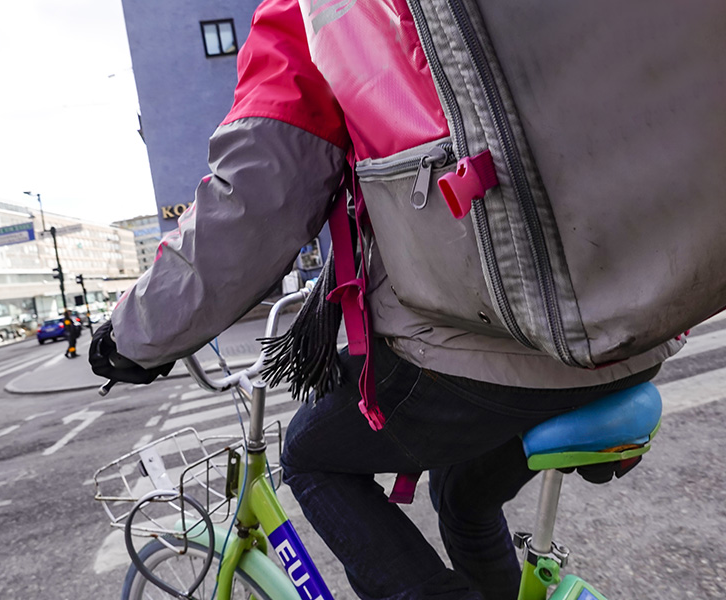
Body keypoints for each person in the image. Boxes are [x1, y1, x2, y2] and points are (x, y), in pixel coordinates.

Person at [89, 1, 682, 598]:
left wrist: (136, 336)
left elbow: (254, 200)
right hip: (638, 319)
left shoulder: (311, 9)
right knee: (462, 497)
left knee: (311, 455)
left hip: (504, 337)